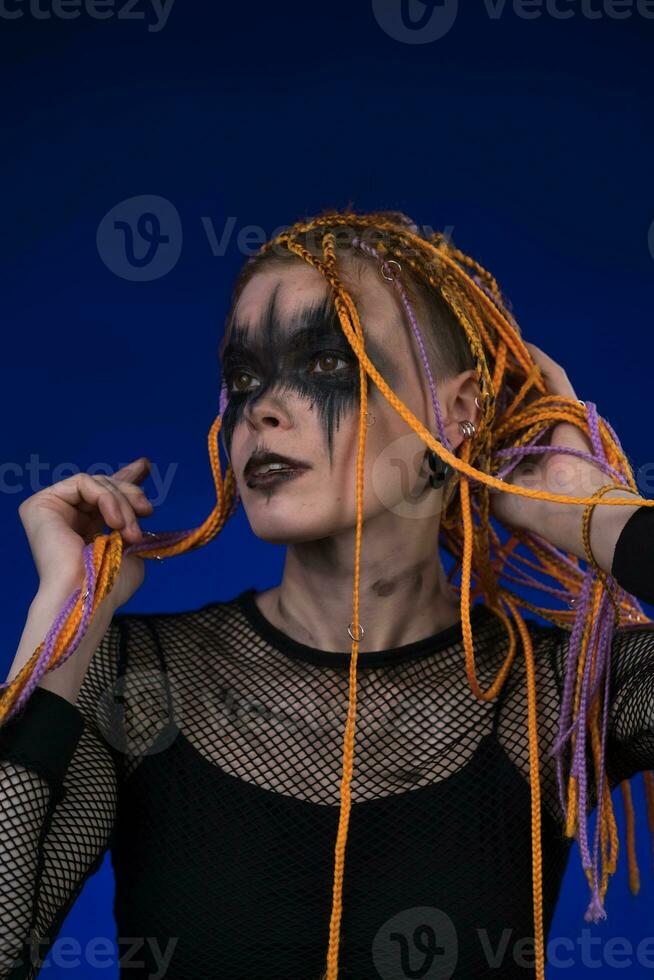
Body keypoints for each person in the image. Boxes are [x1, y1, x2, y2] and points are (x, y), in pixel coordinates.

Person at [1, 209, 653, 980]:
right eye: (245, 379)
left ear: (459, 410)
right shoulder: (139, 679)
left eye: (324, 364)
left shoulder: (562, 687)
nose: (262, 408)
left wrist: (591, 511)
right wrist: (62, 622)